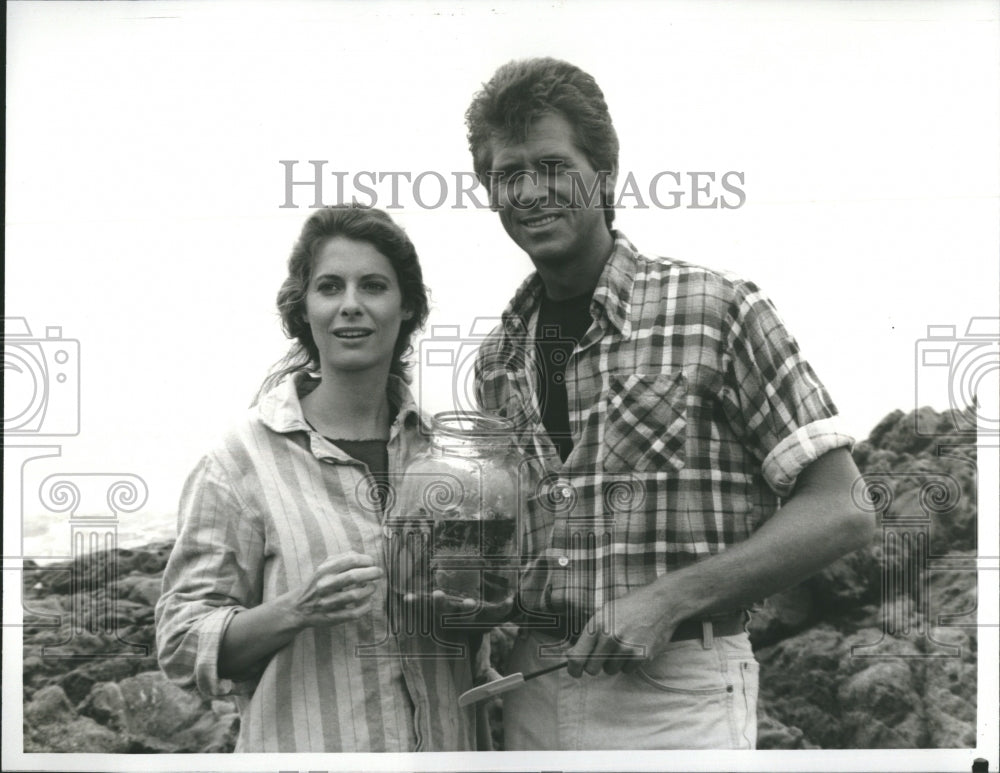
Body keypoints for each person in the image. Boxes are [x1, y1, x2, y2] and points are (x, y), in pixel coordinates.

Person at [465, 57, 875, 750]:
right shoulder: (495, 361)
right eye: (508, 175)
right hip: (532, 692)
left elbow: (844, 508)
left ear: (604, 172)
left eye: (553, 166)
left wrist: (668, 598)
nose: (531, 191)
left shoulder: (717, 309)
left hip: (679, 694)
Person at [155, 204, 477, 752]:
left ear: (408, 308)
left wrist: (477, 607)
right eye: (330, 287)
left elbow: (476, 624)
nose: (351, 305)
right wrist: (295, 609)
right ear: (304, 310)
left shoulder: (444, 458)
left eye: (373, 286)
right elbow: (182, 644)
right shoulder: (240, 462)